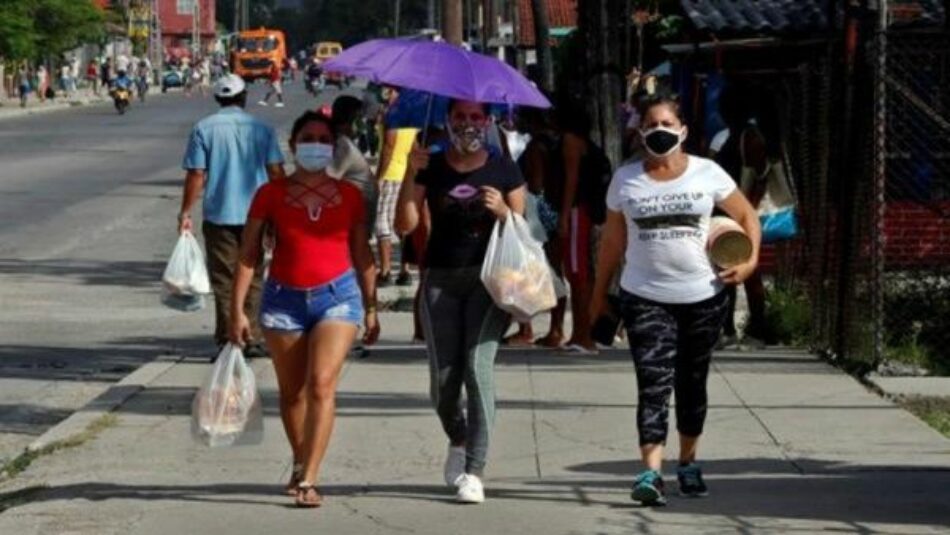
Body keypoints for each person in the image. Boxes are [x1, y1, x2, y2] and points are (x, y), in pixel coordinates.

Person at [591, 95, 761, 506]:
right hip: (644, 297)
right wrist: (598, 296)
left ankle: (687, 462)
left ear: (683, 130)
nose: (659, 131)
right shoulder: (625, 181)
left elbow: (746, 216)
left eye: (667, 123)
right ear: (640, 133)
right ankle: (651, 472)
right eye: (651, 125)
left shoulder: (708, 173)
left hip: (703, 297)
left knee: (691, 383)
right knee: (652, 385)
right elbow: (613, 242)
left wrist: (751, 262)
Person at [230, 111, 380, 508]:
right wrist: (237, 311)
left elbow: (362, 253)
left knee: (321, 385)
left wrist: (371, 306)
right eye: (308, 137)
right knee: (293, 393)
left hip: (338, 297)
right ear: (294, 145)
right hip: (283, 301)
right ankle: (300, 460)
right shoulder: (270, 194)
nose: (316, 144)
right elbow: (248, 256)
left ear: (333, 148)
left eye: (323, 139)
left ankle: (310, 479)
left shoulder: (349, 195)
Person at [395, 99, 527, 504]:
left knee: (476, 367)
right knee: (443, 383)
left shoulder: (503, 166)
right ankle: (458, 436)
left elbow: (525, 230)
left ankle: (475, 470)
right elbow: (405, 224)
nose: (468, 124)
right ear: (447, 122)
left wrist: (504, 211)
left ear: (486, 122)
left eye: (475, 117)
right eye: (459, 117)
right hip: (440, 278)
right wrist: (409, 174)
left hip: (490, 281)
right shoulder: (431, 166)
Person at [177, 74, 285, 359]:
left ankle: (229, 338)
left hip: (220, 214)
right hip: (258, 214)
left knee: (224, 278)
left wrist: (185, 211)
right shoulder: (262, 129)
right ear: (244, 97)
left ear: (217, 99)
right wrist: (281, 211)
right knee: (255, 273)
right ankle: (253, 337)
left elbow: (197, 174)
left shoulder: (204, 128)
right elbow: (276, 172)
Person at [710, 84, 773, 348]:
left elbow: (761, 175)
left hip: (741, 212)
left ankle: (756, 329)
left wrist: (749, 208)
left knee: (748, 271)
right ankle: (730, 329)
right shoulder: (734, 137)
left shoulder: (744, 137)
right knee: (728, 268)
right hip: (729, 212)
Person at [555, 103, 610, 353]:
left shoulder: (570, 141)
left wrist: (564, 216)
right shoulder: (589, 144)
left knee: (578, 275)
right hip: (589, 213)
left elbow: (571, 179)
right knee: (582, 274)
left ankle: (583, 336)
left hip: (577, 211)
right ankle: (582, 333)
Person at [375, 88, 416, 287]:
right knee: (403, 224)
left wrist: (378, 177)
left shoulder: (395, 118)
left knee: (383, 223)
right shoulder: (413, 119)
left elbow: (388, 149)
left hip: (391, 175)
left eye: (390, 92)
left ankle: (385, 270)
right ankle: (405, 270)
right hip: (407, 175)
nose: (387, 96)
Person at [328, 96, 378, 234]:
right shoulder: (343, 146)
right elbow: (327, 180)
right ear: (353, 118)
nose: (363, 123)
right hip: (352, 223)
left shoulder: (344, 142)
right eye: (360, 118)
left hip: (358, 219)